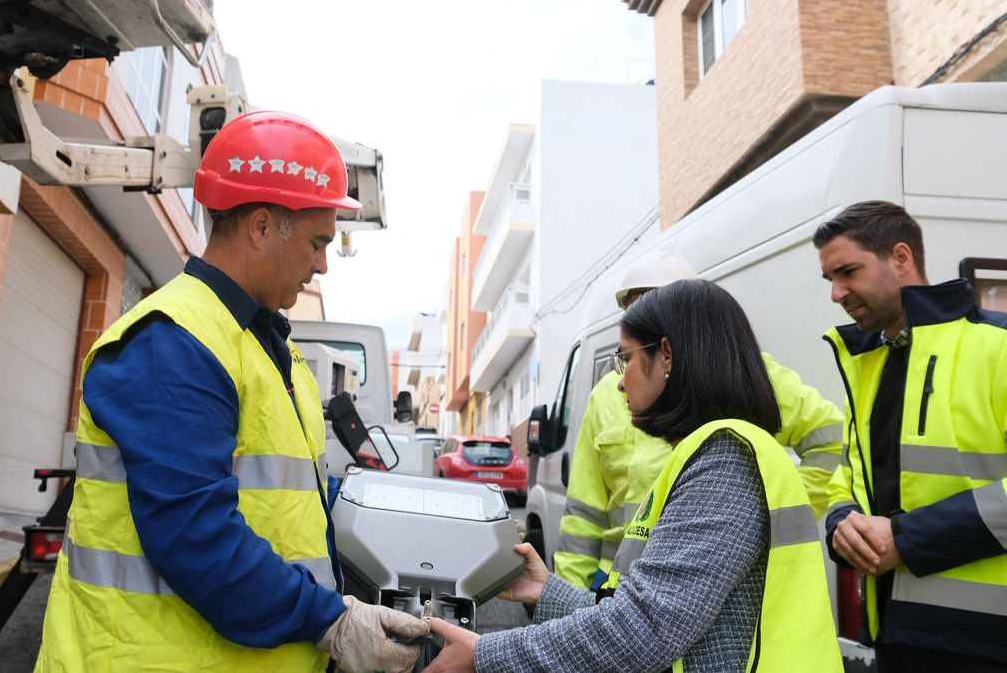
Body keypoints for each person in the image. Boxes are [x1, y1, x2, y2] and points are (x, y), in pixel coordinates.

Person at [34, 110, 429, 672]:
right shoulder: (172, 343)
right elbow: (198, 538)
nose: (322, 265)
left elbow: (281, 494)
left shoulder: (269, 344)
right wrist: (330, 621)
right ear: (262, 227)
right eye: (318, 242)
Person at [426, 280, 842, 673]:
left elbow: (643, 631)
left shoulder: (724, 464)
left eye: (625, 359)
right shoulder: (706, 454)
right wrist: (545, 589)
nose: (619, 382)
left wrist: (485, 654)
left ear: (667, 356)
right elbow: (652, 615)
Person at [554, 253, 844, 590]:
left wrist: (763, 522)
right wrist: (568, 598)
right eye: (635, 306)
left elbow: (833, 439)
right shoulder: (608, 391)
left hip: (708, 578)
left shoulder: (740, 373)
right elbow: (584, 511)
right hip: (618, 578)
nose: (645, 315)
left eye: (659, 303)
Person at [814, 200, 1007, 671]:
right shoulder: (868, 363)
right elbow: (851, 475)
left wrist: (906, 537)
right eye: (830, 281)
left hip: (989, 645)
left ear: (901, 258)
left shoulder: (997, 346)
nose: (837, 293)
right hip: (895, 638)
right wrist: (840, 521)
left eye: (847, 272)